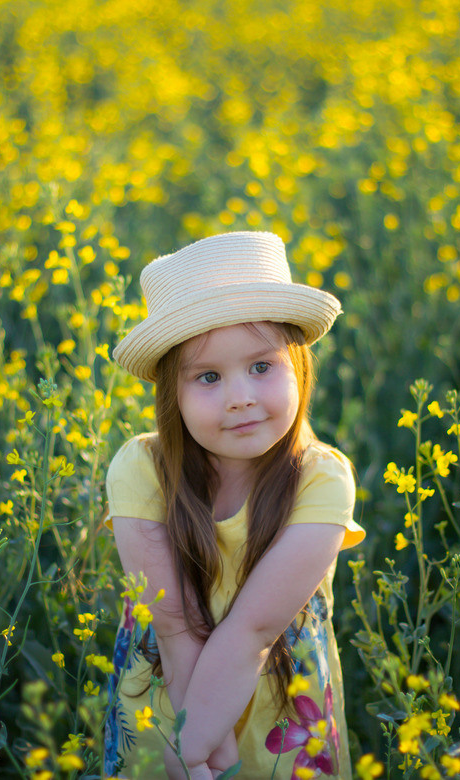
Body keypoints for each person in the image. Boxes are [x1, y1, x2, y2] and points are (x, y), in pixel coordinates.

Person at [104, 231, 365, 780]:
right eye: (208, 377)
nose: (240, 395)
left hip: (281, 723)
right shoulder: (141, 469)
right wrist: (191, 751)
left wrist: (198, 747)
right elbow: (173, 623)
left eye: (262, 367)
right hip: (166, 705)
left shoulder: (321, 480)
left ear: (299, 365)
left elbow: (253, 631)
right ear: (170, 396)